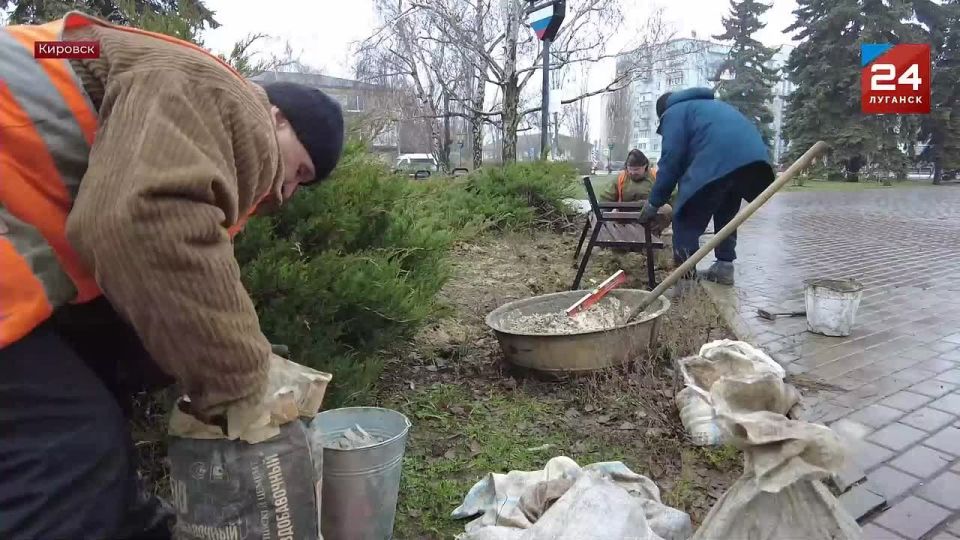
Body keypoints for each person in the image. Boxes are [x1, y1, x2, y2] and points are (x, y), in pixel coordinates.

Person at [0, 11, 345, 540]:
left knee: (94, 409)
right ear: (275, 117)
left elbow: (65, 52)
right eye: (298, 170)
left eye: (304, 184)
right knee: (67, 447)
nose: (286, 192)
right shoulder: (230, 101)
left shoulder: (119, 56)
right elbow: (138, 224)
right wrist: (242, 383)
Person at [638, 87, 774, 290]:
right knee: (726, 213)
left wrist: (653, 203)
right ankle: (724, 267)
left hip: (717, 161)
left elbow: (671, 161)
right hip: (751, 163)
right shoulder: (710, 107)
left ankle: (685, 281)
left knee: (685, 218)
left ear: (662, 113)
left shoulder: (674, 113)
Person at [599, 149, 672, 236]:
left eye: (637, 169)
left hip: (650, 216)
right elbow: (606, 198)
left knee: (667, 209)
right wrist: (601, 215)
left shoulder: (656, 176)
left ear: (645, 166)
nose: (633, 172)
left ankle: (652, 234)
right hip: (626, 217)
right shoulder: (620, 178)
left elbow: (672, 195)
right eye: (630, 169)